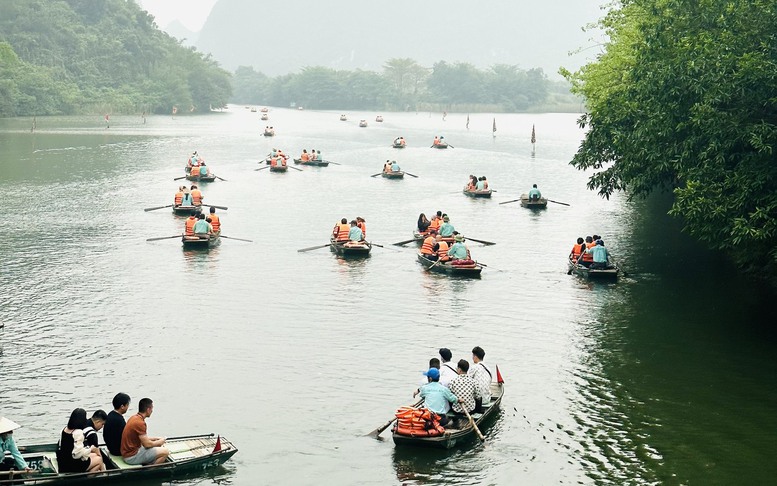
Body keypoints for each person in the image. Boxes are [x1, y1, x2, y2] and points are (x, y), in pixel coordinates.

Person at [121, 398, 169, 466]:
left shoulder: (134, 418)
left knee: (157, 444)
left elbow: (143, 439)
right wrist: (161, 441)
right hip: (131, 457)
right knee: (165, 452)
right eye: (151, 408)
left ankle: (149, 461)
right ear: (148, 409)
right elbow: (147, 445)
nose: (152, 411)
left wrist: (155, 439)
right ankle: (151, 470)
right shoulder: (140, 423)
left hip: (127, 453)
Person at [56, 408, 104, 473]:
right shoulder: (78, 432)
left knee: (96, 458)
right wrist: (90, 449)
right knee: (99, 459)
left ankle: (94, 475)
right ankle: (100, 475)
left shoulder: (64, 429)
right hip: (73, 465)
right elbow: (77, 454)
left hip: (63, 462)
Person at [468, 346, 492, 413]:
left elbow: (467, 381)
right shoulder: (488, 368)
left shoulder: (474, 367)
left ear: (475, 356)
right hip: (487, 399)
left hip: (476, 401)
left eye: (473, 355)